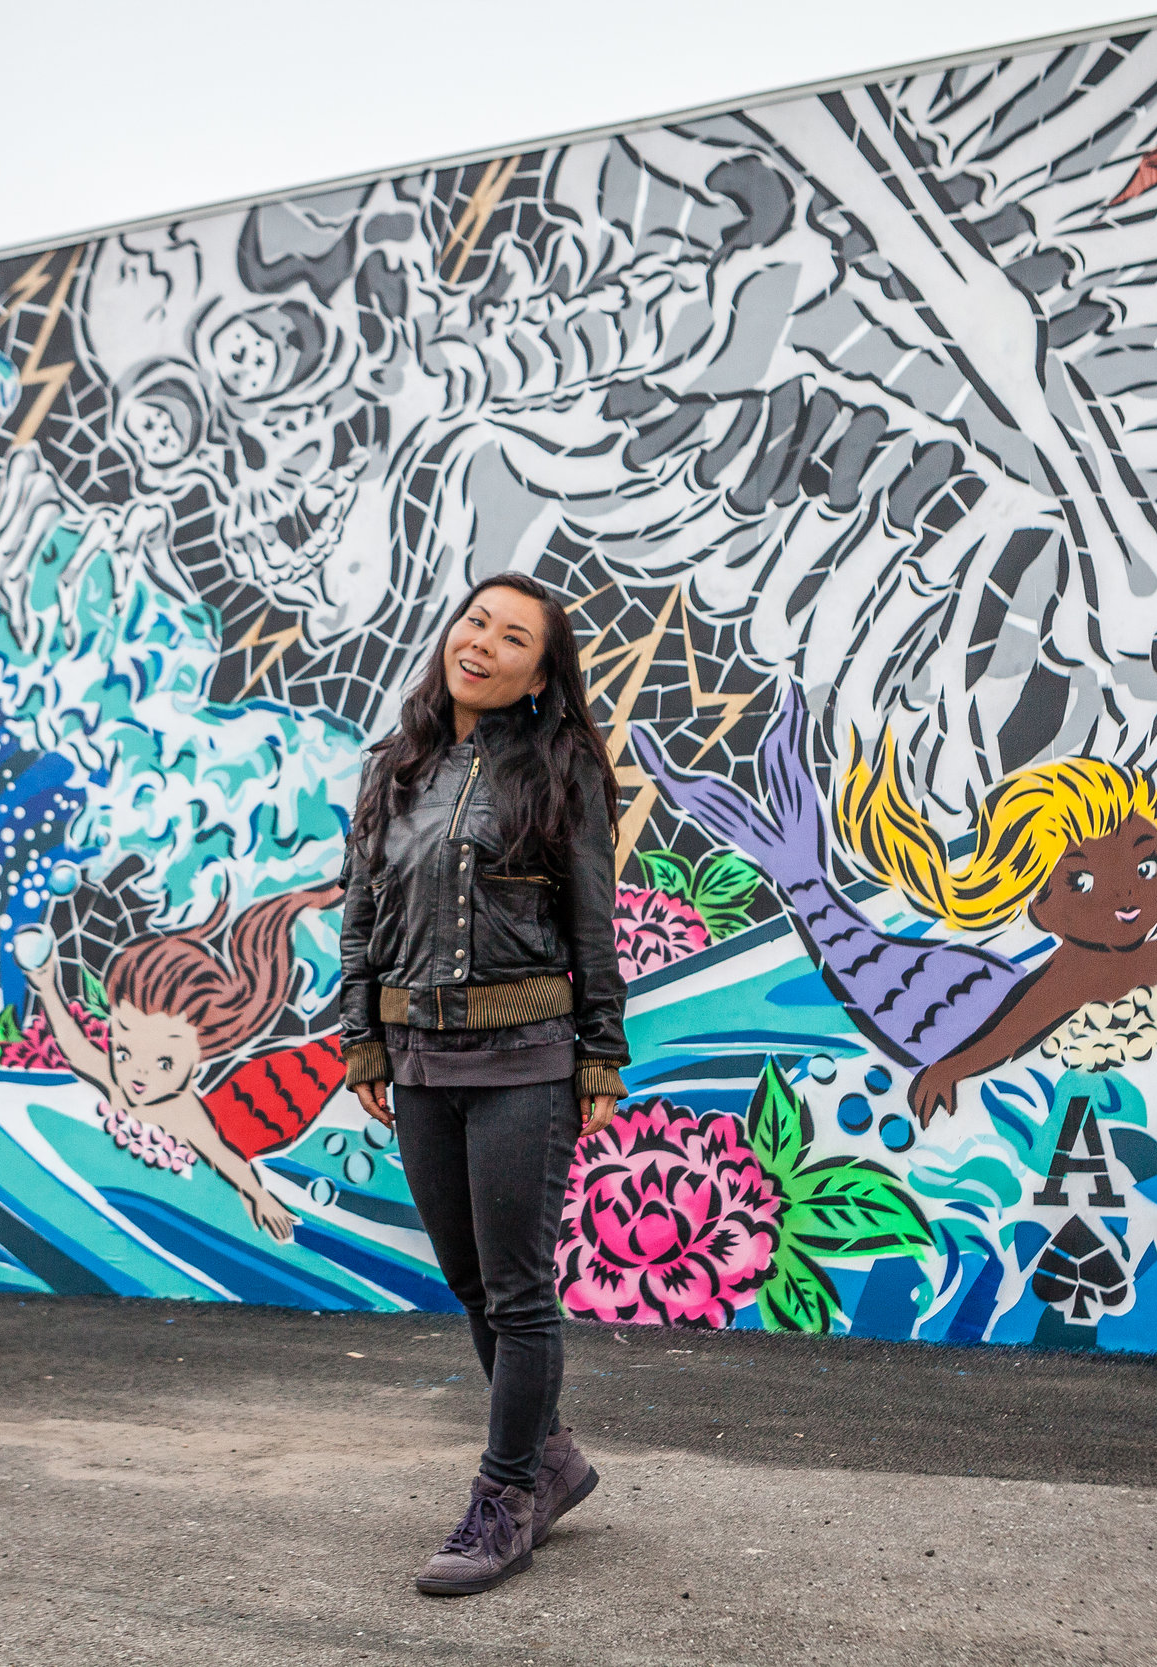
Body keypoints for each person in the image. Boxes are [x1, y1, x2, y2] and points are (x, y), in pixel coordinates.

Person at [339, 573, 628, 1596]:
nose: (483, 644)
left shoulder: (563, 772)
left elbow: (592, 922)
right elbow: (360, 914)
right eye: (475, 621)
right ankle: (551, 1459)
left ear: (540, 673)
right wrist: (361, 1043)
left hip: (526, 1059)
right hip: (417, 1060)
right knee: (469, 1283)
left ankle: (503, 1498)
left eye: (513, 638)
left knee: (516, 1291)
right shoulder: (395, 765)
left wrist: (600, 1054)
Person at [834, 730, 1157, 1122]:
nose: (1126, 894)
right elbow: (1009, 1035)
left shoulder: (1155, 956)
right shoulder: (1065, 982)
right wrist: (949, 1070)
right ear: (1040, 908)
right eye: (1082, 881)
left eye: (1146, 866)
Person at [12, 883, 343, 1241]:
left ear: (197, 1062)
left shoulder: (181, 1111)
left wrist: (258, 1195)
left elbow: (222, 1157)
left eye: (164, 1063)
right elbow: (75, 1048)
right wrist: (47, 986)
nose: (138, 1072)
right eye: (124, 1050)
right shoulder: (115, 1078)